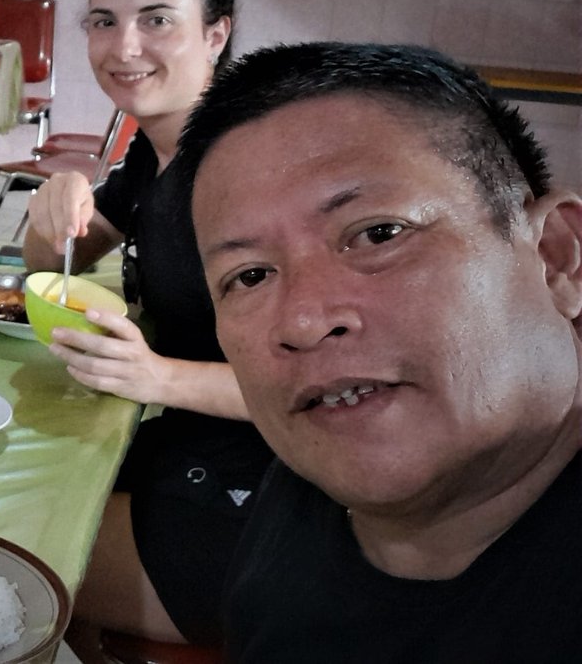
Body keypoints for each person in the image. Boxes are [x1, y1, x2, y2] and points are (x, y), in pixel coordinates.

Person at [176, 42, 581, 661]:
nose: (305, 320)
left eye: (378, 234)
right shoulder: (313, 482)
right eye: (251, 276)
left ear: (553, 255)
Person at [21, 0, 270, 647]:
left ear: (215, 34)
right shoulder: (152, 153)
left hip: (267, 498)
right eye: (102, 21)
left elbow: (319, 379)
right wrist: (53, 205)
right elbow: (52, 269)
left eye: (157, 20)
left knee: (0, 547)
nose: (123, 46)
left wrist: (156, 377)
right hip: (180, 450)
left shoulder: (244, 172)